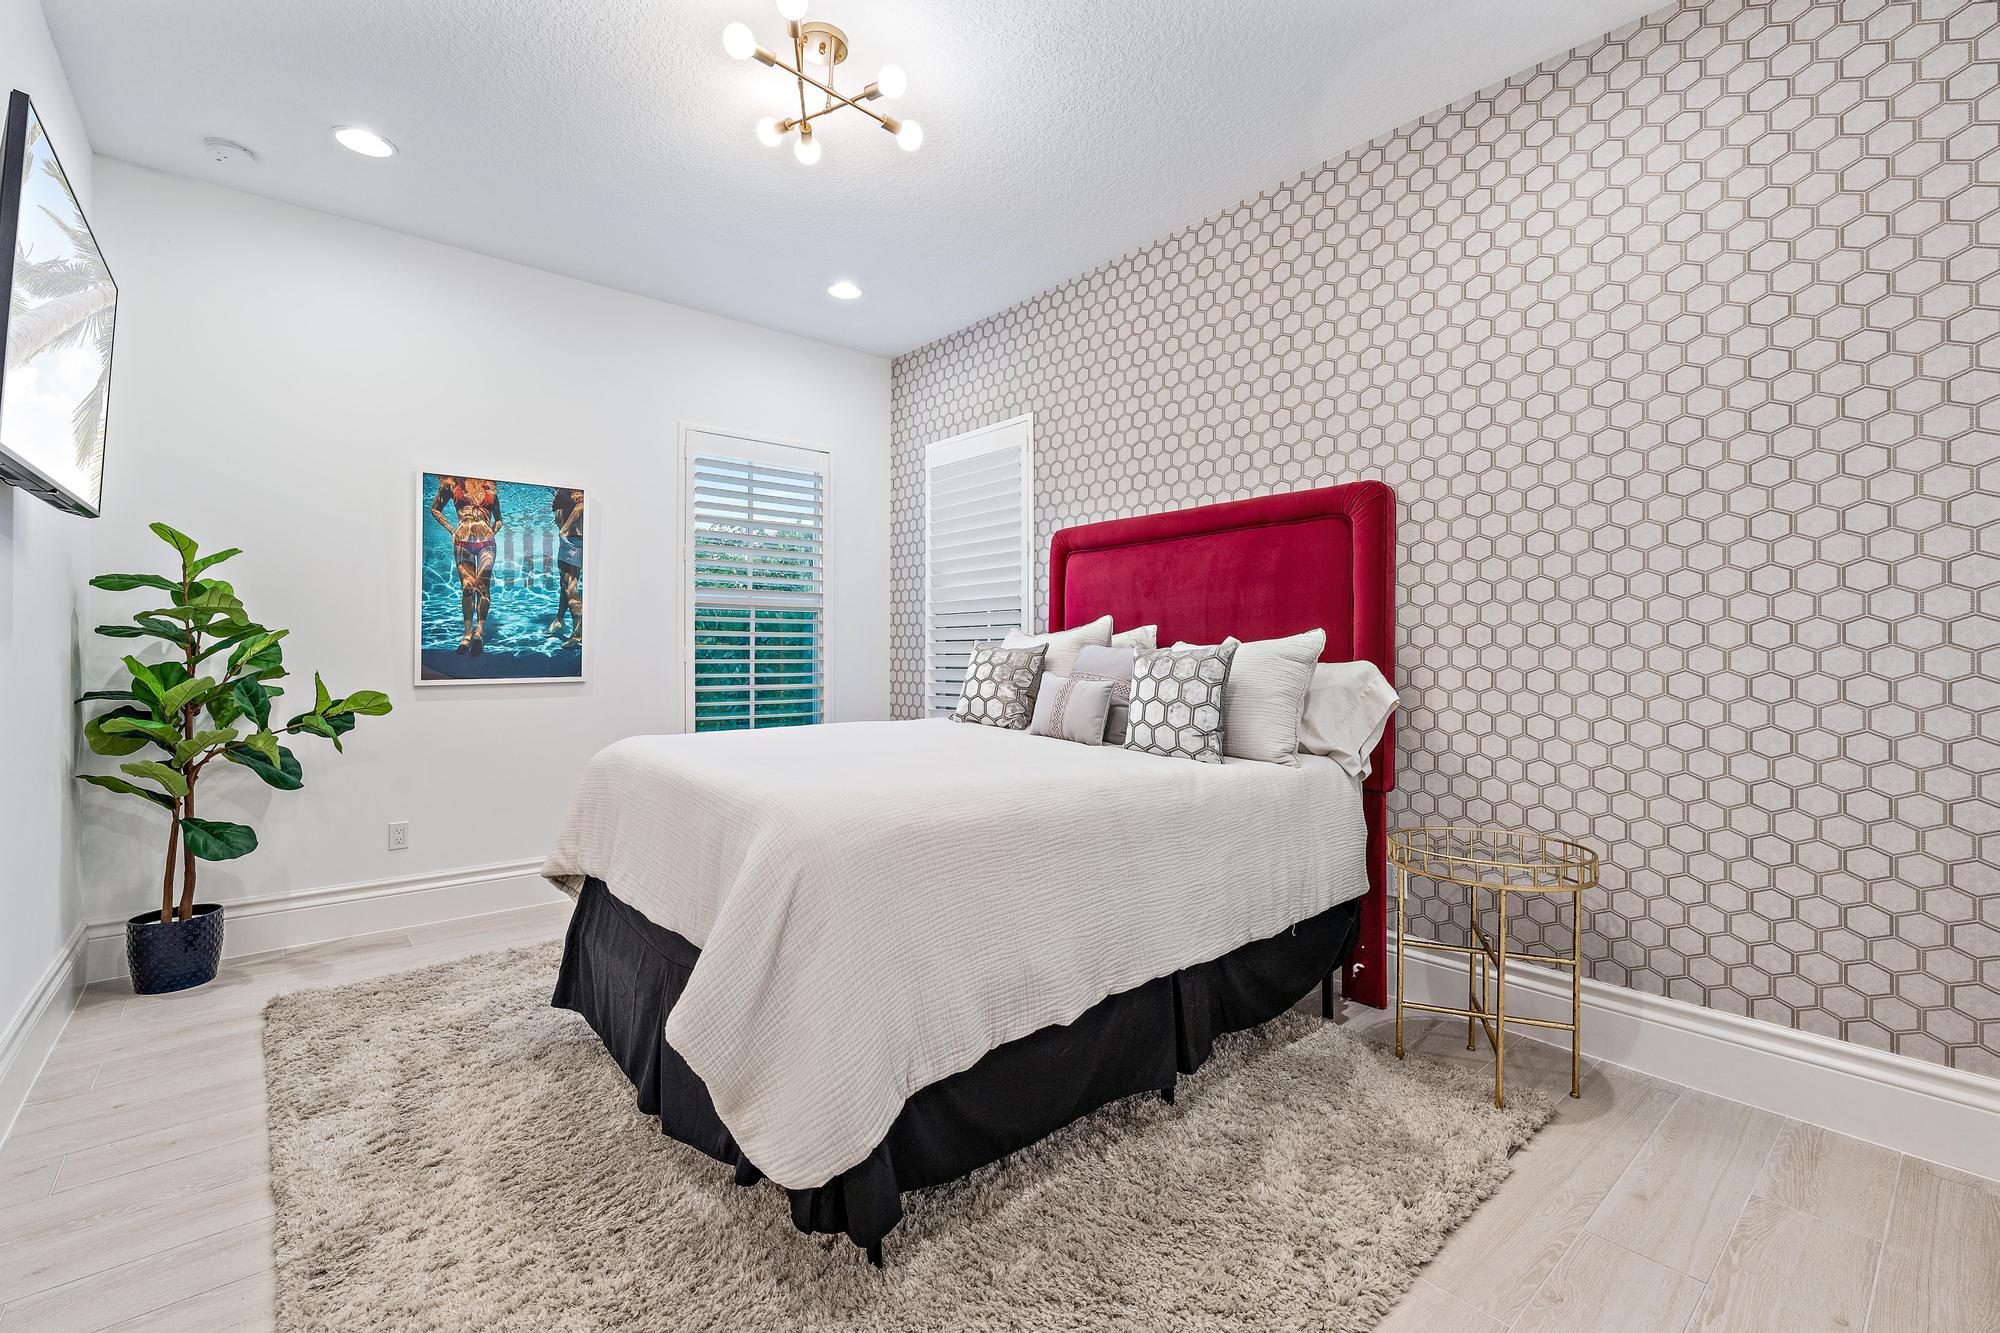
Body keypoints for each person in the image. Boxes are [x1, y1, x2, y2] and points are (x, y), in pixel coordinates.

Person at [429, 476, 502, 655]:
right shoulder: (451, 482)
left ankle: (479, 632)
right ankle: (467, 634)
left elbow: (499, 519)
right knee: (468, 588)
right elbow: (435, 509)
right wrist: (452, 530)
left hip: (486, 542)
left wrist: (491, 532)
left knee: (482, 586)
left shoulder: (490, 485)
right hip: (462, 541)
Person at [548, 487, 584, 647]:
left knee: (570, 587)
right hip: (574, 541)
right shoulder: (563, 491)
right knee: (565, 584)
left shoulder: (566, 489)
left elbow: (581, 505)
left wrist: (563, 531)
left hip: (571, 542)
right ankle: (559, 619)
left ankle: (579, 633)